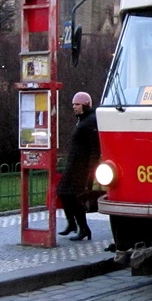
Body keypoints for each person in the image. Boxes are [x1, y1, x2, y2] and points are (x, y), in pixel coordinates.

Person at [58, 92, 101, 241]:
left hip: (81, 168)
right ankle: (73, 224)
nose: (74, 107)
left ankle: (83, 228)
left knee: (75, 197)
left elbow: (94, 149)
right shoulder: (82, 120)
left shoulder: (90, 121)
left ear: (85, 105)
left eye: (77, 104)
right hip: (74, 165)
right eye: (73, 105)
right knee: (63, 192)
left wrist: (91, 171)